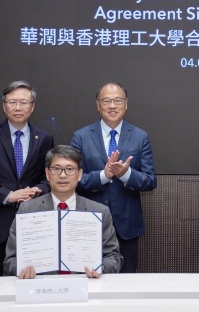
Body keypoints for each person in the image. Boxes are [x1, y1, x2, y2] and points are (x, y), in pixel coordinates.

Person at [0, 81, 54, 277]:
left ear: (33, 105)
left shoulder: (44, 138)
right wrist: (9, 195)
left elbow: (49, 177)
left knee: (31, 284)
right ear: (4, 105)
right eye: (12, 102)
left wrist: (35, 191)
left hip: (32, 226)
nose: (18, 107)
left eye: (24, 102)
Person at [70, 82, 156, 273]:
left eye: (117, 100)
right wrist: (104, 175)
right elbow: (71, 180)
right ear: (97, 104)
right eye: (107, 101)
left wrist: (125, 174)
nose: (112, 106)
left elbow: (150, 181)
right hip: (88, 223)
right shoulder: (81, 137)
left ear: (126, 104)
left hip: (126, 224)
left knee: (126, 283)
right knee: (87, 278)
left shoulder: (140, 136)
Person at [4, 145, 123, 278]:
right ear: (48, 174)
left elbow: (114, 257)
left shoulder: (99, 211)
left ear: (79, 175)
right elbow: (10, 261)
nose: (63, 175)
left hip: (86, 286)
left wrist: (100, 268)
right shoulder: (27, 210)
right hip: (40, 288)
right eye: (56, 169)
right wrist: (22, 270)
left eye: (70, 169)